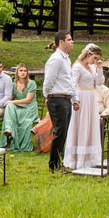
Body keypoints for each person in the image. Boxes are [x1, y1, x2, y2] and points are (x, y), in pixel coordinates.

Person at [64, 43, 104, 171]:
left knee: (91, 125)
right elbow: (73, 84)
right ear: (88, 55)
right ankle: (77, 158)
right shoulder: (77, 67)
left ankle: (90, 158)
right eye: (95, 58)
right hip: (81, 96)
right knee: (81, 125)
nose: (96, 61)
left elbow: (99, 82)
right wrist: (74, 99)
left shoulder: (92, 68)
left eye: (97, 59)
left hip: (91, 97)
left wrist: (99, 68)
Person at [42, 30, 76, 172]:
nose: (72, 42)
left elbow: (69, 80)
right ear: (61, 42)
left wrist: (74, 98)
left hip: (66, 98)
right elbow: (49, 79)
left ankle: (60, 162)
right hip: (57, 98)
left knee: (64, 132)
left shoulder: (66, 58)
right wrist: (47, 95)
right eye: (69, 39)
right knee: (60, 132)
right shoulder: (56, 59)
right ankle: (54, 165)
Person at [0, 64, 38, 151]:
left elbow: (28, 100)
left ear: (27, 73)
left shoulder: (31, 83)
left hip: (29, 108)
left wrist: (11, 102)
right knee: (9, 106)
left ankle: (11, 133)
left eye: (25, 71)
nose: (23, 73)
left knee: (11, 104)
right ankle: (9, 130)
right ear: (17, 72)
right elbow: (10, 98)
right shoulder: (14, 84)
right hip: (19, 106)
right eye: (21, 71)